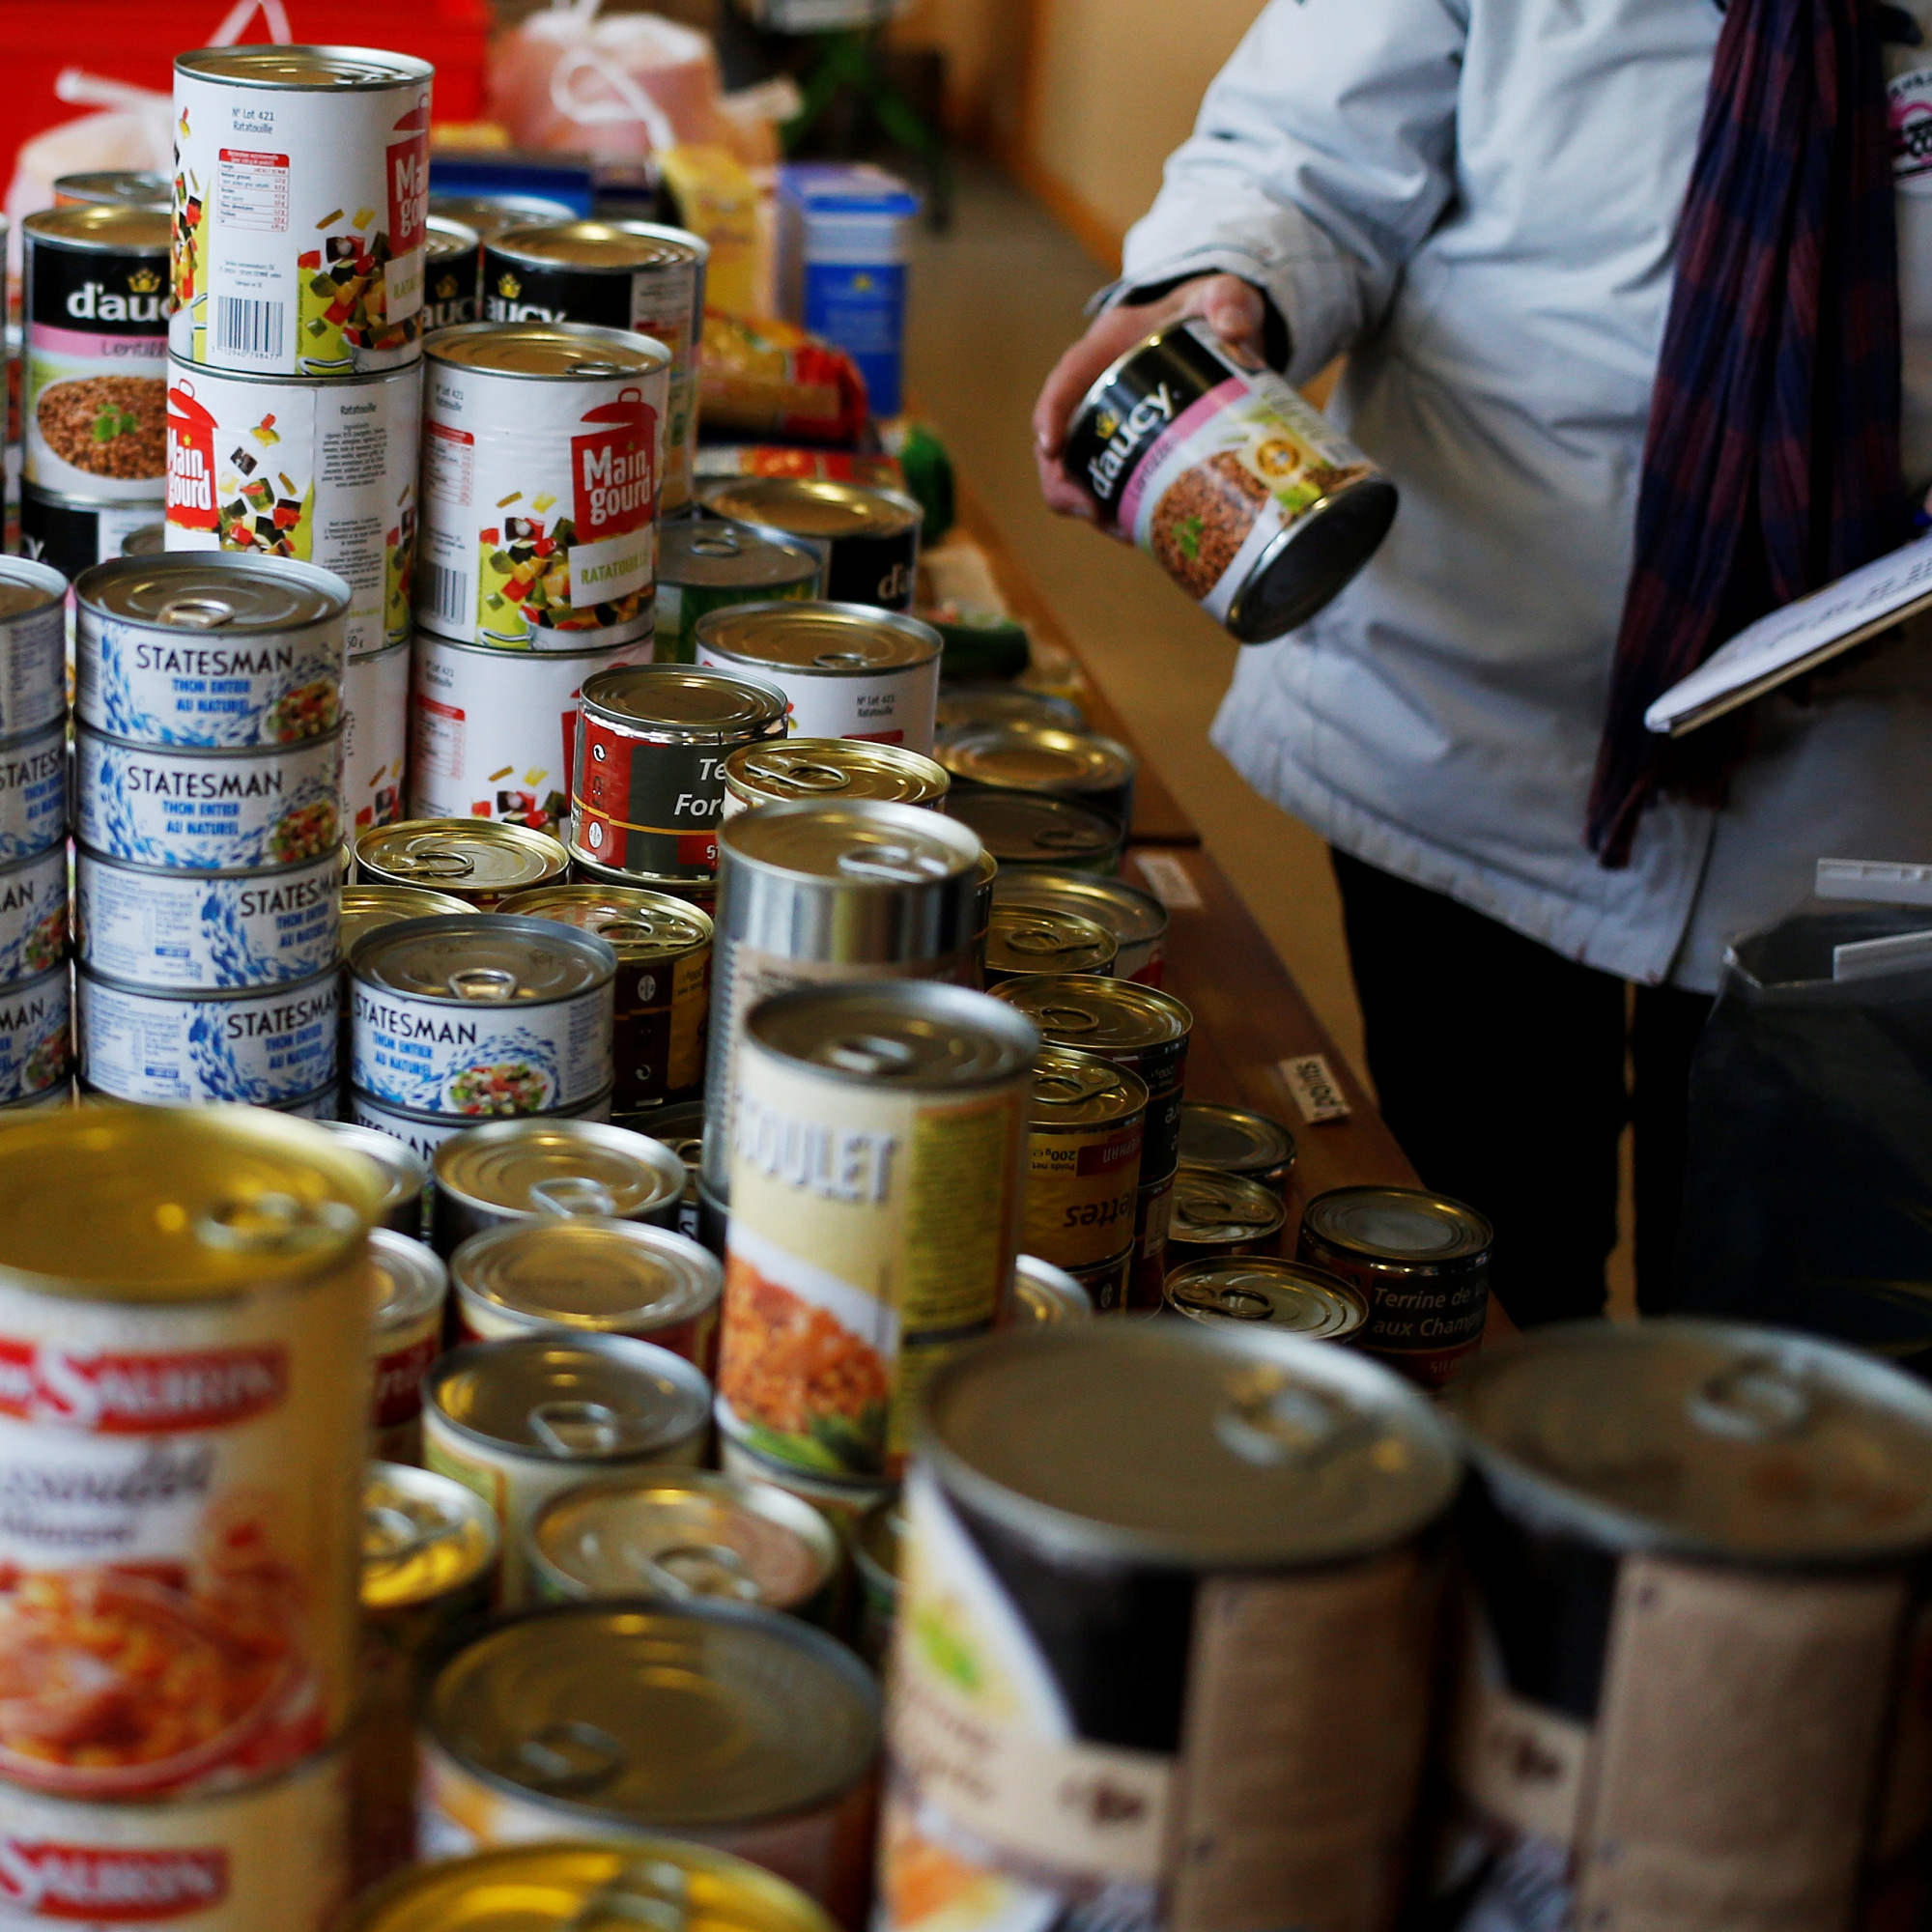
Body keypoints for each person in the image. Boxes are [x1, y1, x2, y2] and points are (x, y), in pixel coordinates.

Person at [1032, 0, 1932, 1327]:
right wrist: (1226, 284)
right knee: (1475, 1274)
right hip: (1474, 692)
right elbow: (1303, 151)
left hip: (1865, 767)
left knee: (1777, 1331)